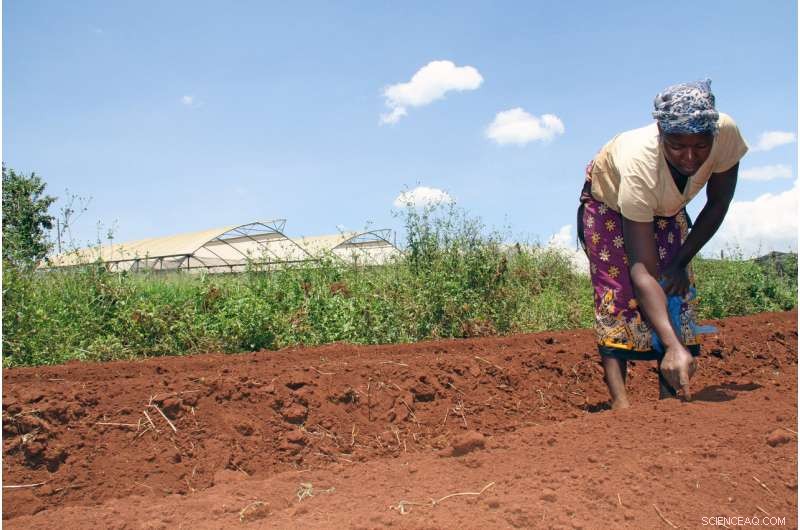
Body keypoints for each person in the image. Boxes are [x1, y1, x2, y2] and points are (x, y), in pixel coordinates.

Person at [578, 79, 748, 409]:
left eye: (700, 147)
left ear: (713, 134)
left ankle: (669, 398)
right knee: (618, 289)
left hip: (667, 206)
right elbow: (642, 270)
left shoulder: (726, 134)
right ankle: (621, 404)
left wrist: (681, 262)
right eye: (676, 146)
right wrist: (670, 344)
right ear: (661, 134)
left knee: (675, 286)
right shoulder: (639, 164)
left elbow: (717, 204)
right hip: (610, 204)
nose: (689, 157)